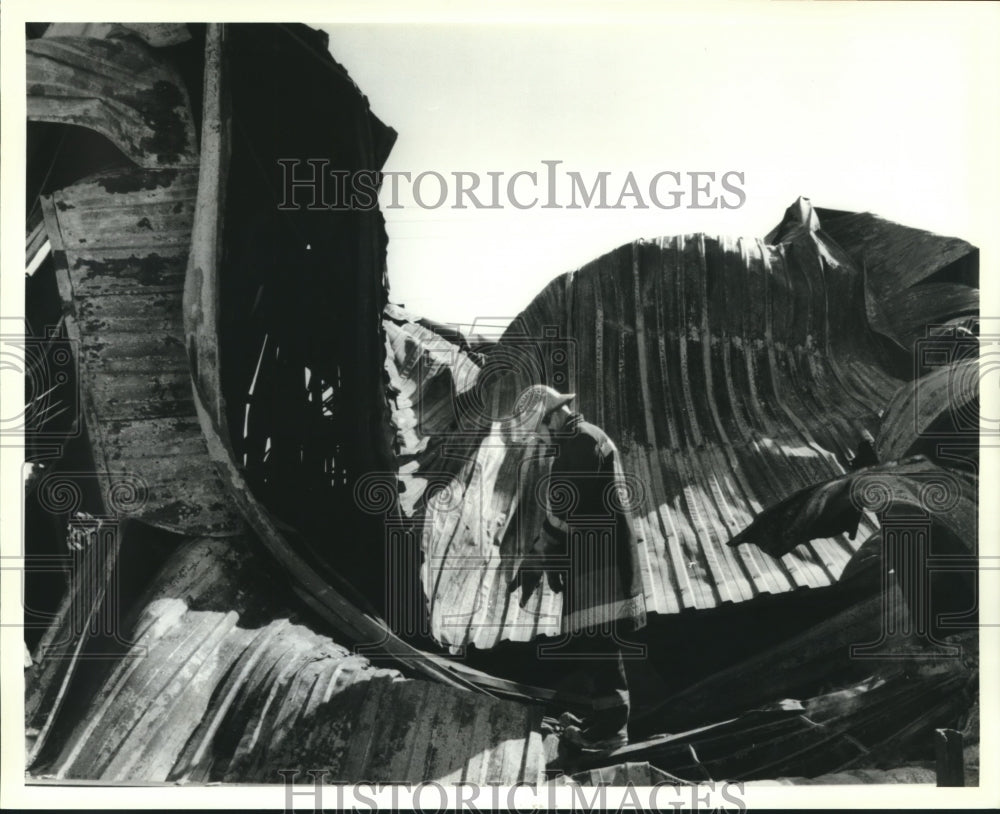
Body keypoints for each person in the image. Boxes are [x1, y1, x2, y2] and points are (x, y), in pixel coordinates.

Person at [507, 385, 647, 753]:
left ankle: (611, 733)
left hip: (601, 564)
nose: (540, 438)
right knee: (595, 644)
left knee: (602, 648)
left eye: (539, 429)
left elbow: (562, 515)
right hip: (595, 561)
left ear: (553, 416)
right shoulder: (583, 440)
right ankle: (602, 722)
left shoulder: (580, 445)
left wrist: (539, 555)